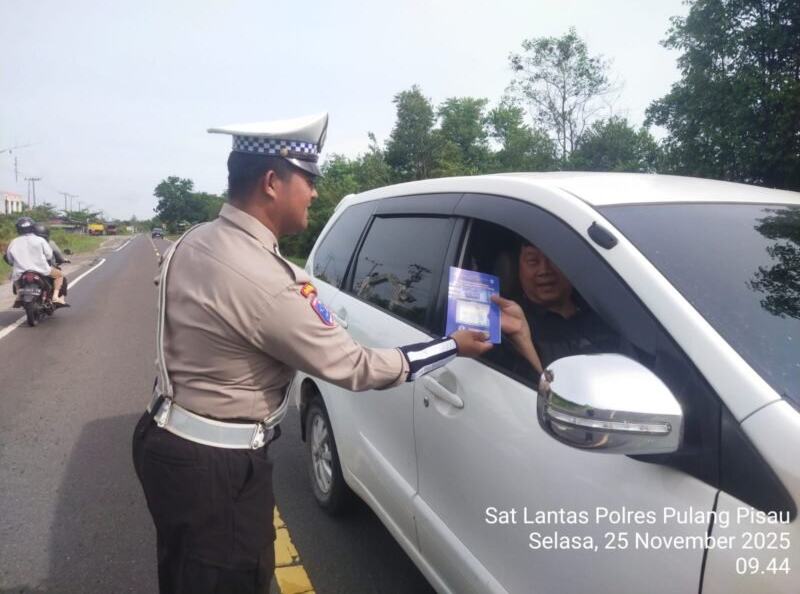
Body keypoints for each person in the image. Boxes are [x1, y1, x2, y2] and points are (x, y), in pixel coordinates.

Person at [131, 112, 502, 594]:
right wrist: (453, 344)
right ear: (271, 182)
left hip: (165, 440)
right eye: (308, 180)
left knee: (184, 575)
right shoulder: (266, 280)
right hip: (216, 470)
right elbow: (356, 366)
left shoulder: (196, 239)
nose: (315, 193)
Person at [493, 240, 633, 379]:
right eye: (533, 262)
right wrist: (523, 340)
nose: (544, 270)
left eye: (554, 259)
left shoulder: (605, 314)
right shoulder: (509, 324)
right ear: (518, 269)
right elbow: (527, 392)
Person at [4, 216, 69, 307]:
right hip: (41, 269)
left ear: (18, 229)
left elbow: (9, 258)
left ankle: (19, 295)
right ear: (32, 228)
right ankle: (55, 297)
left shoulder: (14, 242)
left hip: (21, 271)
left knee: (15, 276)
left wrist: (15, 264)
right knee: (59, 274)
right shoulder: (40, 240)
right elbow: (49, 255)